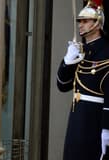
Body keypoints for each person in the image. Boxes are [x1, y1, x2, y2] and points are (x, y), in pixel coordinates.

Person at [56, 1, 109, 159]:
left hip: (95, 119)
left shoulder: (106, 52)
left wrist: (106, 128)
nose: (80, 25)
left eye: (85, 21)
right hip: (77, 119)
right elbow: (62, 85)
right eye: (79, 21)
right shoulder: (80, 51)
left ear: (97, 24)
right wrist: (67, 61)